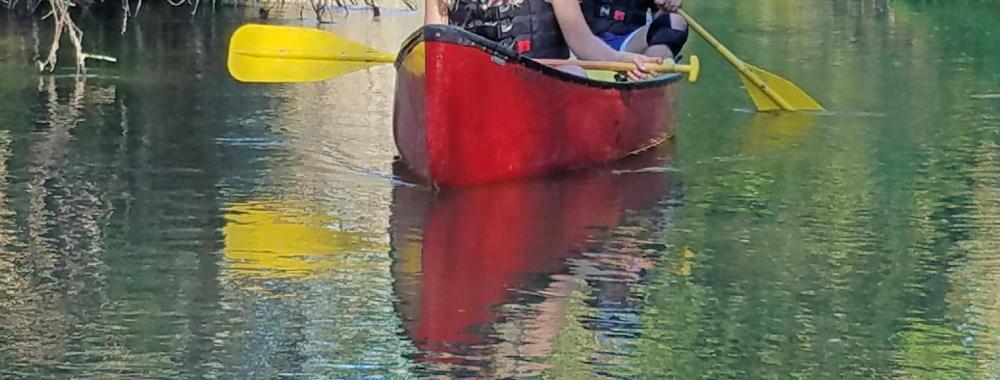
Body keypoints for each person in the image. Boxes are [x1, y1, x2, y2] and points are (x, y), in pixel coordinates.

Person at [424, 0, 661, 81]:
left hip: (541, 81)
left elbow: (582, 42)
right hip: (476, 85)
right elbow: (432, 51)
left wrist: (618, 58)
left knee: (575, 73)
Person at [584, 0, 689, 59]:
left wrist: (669, 5)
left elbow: (659, 18)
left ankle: (644, 83)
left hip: (630, 43)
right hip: (582, 41)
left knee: (674, 23)